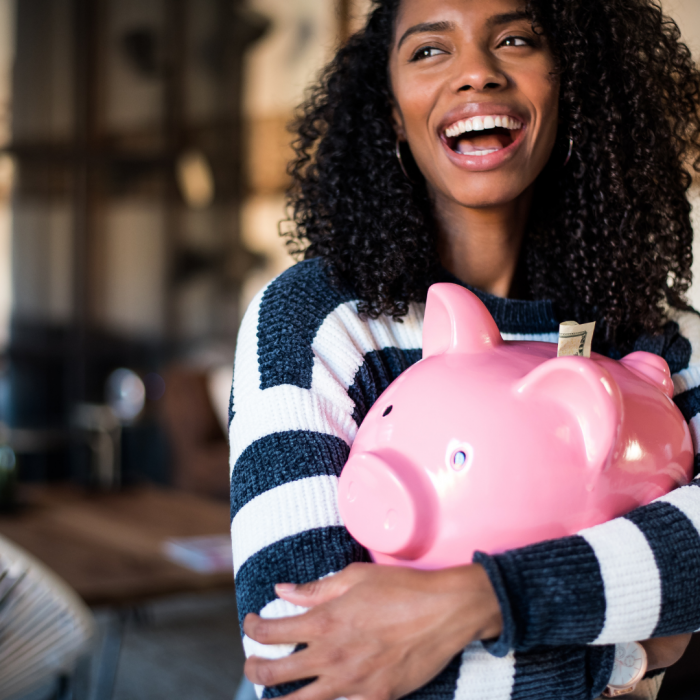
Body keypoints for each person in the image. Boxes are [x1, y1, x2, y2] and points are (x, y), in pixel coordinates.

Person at [229, 0, 700, 698]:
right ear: (391, 110)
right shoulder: (319, 320)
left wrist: (482, 599)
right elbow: (307, 658)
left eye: (514, 39)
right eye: (428, 50)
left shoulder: (655, 335)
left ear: (570, 83)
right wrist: (634, 652)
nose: (476, 73)